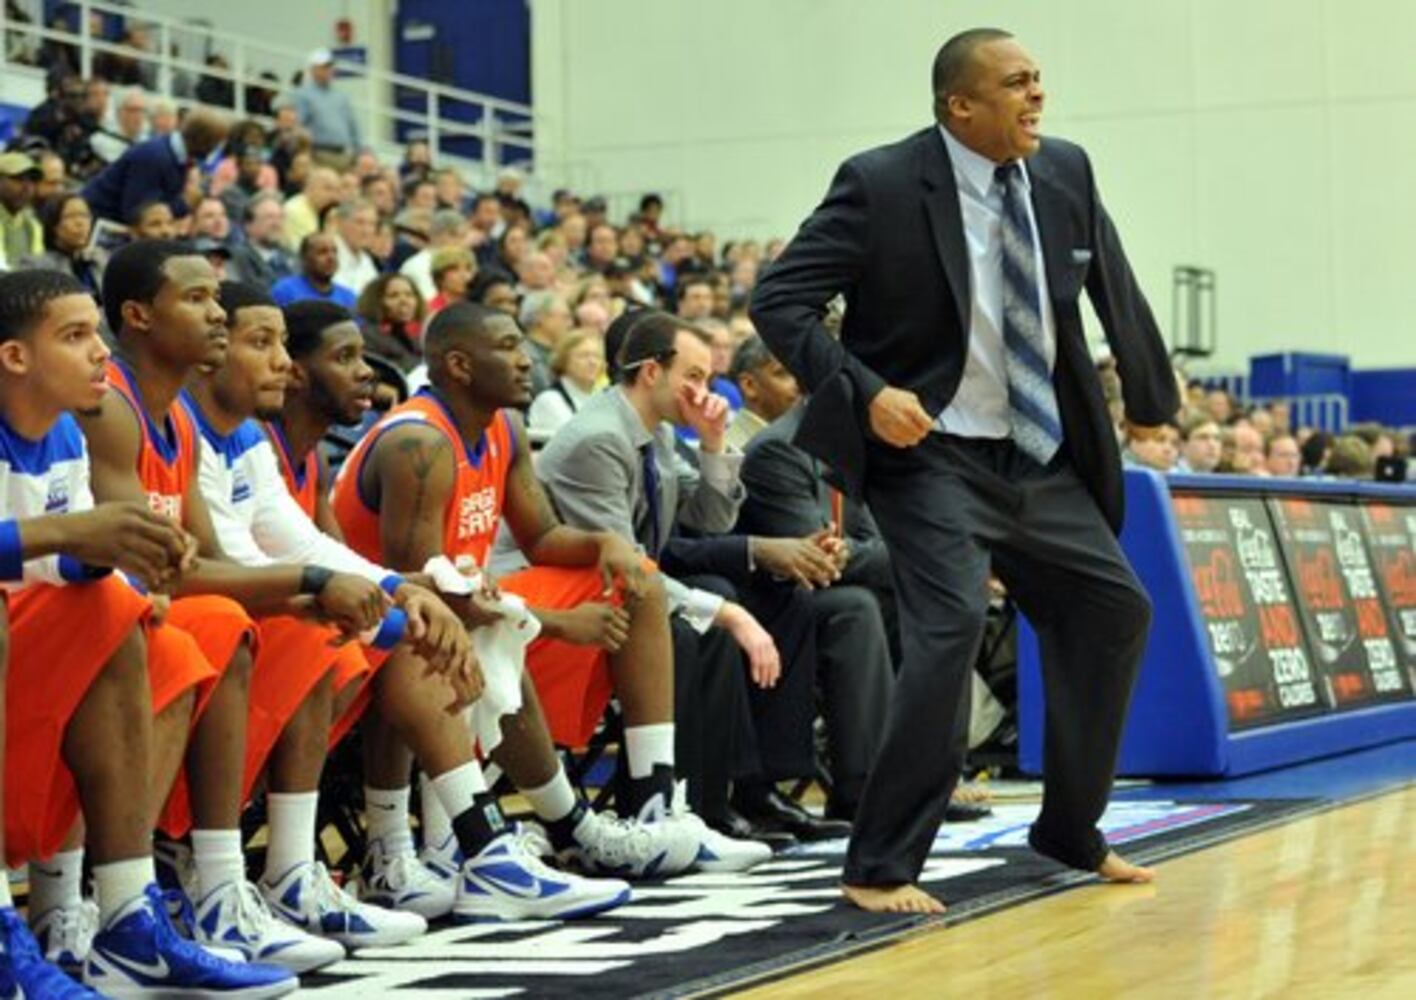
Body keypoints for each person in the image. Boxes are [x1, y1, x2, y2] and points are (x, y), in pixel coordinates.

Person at [750, 28, 1178, 913]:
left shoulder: (1064, 171)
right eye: (1017, 83)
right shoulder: (879, 183)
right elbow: (780, 300)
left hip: (1036, 451)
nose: (1038, 96)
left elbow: (1115, 288)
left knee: (1114, 609)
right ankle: (878, 866)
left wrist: (1150, 393)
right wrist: (864, 391)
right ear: (960, 105)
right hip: (928, 453)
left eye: (1039, 80)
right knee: (946, 632)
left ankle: (1068, 830)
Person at [330, 302, 770, 874]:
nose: (525, 360)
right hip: (390, 624)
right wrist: (557, 621)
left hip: (472, 602)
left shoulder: (504, 427)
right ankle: (534, 833)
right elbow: (430, 604)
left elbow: (544, 539)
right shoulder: (421, 445)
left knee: (638, 580)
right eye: (510, 347)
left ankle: (656, 807)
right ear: (460, 365)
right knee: (474, 638)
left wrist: (601, 546)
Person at [80, 240, 411, 971]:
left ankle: (275, 874)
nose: (216, 318)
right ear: (138, 317)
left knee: (315, 624)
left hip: (142, 625)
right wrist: (320, 587)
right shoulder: (114, 408)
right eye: (198, 301)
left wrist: (377, 589)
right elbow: (172, 571)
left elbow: (211, 562)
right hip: (103, 633)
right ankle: (154, 888)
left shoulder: (184, 423)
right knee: (242, 620)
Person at [0, 268, 297, 997]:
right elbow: (52, 540)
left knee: (136, 618)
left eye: (97, 335)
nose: (100, 352)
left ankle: (130, 916)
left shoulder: (66, 431)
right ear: (15, 357)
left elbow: (56, 566)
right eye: (74, 337)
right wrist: (79, 532)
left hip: (23, 660)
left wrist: (121, 555)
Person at [536, 311, 790, 847]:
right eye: (693, 377)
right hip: (556, 601)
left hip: (621, 593)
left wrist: (717, 443)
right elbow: (625, 567)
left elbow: (711, 517)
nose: (704, 391)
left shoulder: (659, 432)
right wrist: (728, 612)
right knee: (697, 624)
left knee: (711, 622)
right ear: (652, 372)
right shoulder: (598, 439)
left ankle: (703, 808)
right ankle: (648, 810)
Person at [82, 108, 228, 226]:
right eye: (215, 145)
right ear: (202, 141)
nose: (215, 153)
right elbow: (139, 215)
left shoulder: (181, 158)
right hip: (96, 223)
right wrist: (184, 203)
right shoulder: (154, 157)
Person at [19, 193, 107, 302]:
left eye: (85, 215)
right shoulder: (35, 266)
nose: (80, 223)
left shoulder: (100, 259)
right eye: (71, 216)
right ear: (54, 225)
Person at [527, 330, 605, 444]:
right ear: (563, 359)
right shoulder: (549, 400)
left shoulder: (601, 397)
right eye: (583, 355)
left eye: (597, 356)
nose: (592, 362)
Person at [724, 335, 801, 452]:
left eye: (802, 371)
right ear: (749, 385)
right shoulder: (732, 453)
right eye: (783, 373)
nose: (801, 385)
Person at [293, 49, 361, 162]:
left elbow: (352, 125)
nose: (329, 70)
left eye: (330, 67)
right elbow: (298, 125)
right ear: (313, 70)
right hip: (318, 153)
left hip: (343, 153)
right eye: (324, 67)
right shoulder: (303, 95)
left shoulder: (341, 97)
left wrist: (359, 151)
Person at [356, 271, 427, 374]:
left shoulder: (415, 336)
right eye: (393, 296)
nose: (404, 301)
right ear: (377, 301)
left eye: (409, 295)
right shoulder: (367, 337)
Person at [226, 192, 296, 289]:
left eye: (280, 217)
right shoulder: (237, 258)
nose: (277, 224)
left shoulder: (292, 256)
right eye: (269, 217)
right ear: (248, 225)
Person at [271, 232, 357, 309]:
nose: (331, 258)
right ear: (304, 258)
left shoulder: (349, 298)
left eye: (334, 252)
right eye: (322, 252)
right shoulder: (285, 291)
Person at [519, 290, 574, 396]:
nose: (570, 324)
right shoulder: (526, 356)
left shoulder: (558, 354)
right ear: (541, 318)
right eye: (565, 317)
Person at [0, 152, 43, 271]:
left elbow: (36, 270)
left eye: (32, 180)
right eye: (18, 178)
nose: (27, 187)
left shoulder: (33, 225)